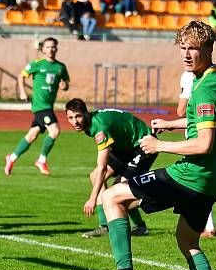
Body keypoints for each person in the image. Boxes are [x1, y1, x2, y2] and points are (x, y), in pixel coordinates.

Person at [97, 21, 216, 270]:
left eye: (193, 48)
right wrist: (172, 123)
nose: (186, 54)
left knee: (112, 196)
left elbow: (203, 143)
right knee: (188, 241)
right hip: (214, 178)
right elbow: (206, 122)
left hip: (193, 175)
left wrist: (159, 144)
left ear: (209, 49)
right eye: (183, 47)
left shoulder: (205, 90)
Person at [66, 99, 154, 239]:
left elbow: (102, 167)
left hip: (143, 143)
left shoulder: (99, 127)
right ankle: (105, 226)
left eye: (78, 116)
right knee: (95, 176)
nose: (75, 121)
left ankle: (141, 224)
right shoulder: (91, 123)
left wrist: (92, 198)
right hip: (124, 146)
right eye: (70, 117)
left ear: (86, 114)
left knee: (120, 188)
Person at [178, 71, 216, 242]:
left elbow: (181, 111)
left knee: (201, 184)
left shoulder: (192, 77)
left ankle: (209, 227)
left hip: (201, 138)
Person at [4, 37, 69, 177]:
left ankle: (12, 157)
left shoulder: (61, 67)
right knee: (55, 130)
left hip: (48, 107)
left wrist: (64, 86)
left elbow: (65, 83)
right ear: (42, 49)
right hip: (40, 106)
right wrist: (22, 92)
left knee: (32, 135)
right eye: (47, 47)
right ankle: (41, 160)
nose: (50, 50)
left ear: (56, 49)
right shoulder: (37, 64)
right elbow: (21, 76)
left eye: (53, 47)